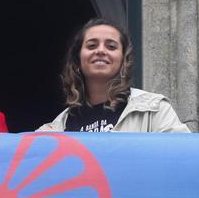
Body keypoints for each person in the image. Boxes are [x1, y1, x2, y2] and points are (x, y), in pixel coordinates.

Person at [41, 18, 189, 133]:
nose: (100, 51)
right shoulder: (55, 129)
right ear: (77, 60)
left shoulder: (154, 110)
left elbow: (183, 158)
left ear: (123, 60)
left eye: (111, 46)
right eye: (91, 45)